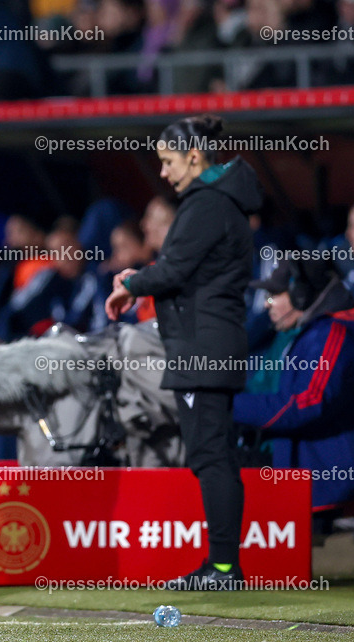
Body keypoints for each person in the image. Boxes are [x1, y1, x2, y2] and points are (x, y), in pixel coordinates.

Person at [106, 114, 261, 590]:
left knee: (211, 457)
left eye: (169, 162)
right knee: (214, 455)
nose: (164, 172)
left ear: (194, 157)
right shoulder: (219, 201)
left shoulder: (207, 203)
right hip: (209, 345)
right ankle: (222, 566)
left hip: (203, 350)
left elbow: (174, 270)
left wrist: (132, 281)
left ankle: (223, 569)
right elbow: (180, 269)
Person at [232, 258, 354, 509]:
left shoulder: (333, 335)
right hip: (297, 470)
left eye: (274, 295)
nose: (267, 304)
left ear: (300, 296)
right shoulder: (307, 334)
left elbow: (306, 402)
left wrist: (229, 406)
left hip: (323, 478)